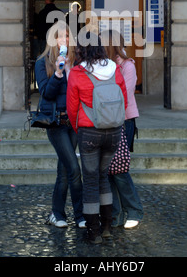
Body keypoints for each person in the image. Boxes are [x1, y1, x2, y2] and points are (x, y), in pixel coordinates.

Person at [66, 31, 128, 244]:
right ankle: (107, 227)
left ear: (81, 49)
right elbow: (124, 101)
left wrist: (78, 129)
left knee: (90, 180)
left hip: (89, 131)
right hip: (113, 132)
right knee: (103, 178)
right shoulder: (114, 69)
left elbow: (72, 108)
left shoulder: (76, 72)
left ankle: (93, 232)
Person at [35, 20, 85, 229]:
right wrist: (57, 73)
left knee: (64, 170)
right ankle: (81, 216)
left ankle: (58, 214)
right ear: (52, 40)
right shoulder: (43, 62)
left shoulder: (77, 61)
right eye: (59, 36)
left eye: (66, 36)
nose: (63, 40)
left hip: (73, 122)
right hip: (55, 123)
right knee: (73, 167)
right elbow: (45, 92)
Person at [100, 29, 143, 229]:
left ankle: (134, 211)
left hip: (123, 121)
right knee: (107, 170)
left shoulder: (127, 66)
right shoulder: (101, 66)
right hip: (104, 121)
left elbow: (123, 96)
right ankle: (115, 214)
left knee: (120, 169)